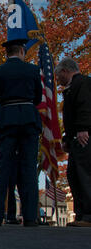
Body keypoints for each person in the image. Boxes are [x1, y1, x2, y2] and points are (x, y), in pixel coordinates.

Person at [0, 38, 42, 227]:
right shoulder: (33, 70)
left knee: (3, 168)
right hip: (28, 119)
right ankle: (31, 216)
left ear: (6, 53)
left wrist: (0, 116)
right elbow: (38, 97)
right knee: (29, 168)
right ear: (22, 51)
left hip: (6, 120)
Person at [55, 57, 91, 227]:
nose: (57, 81)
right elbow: (69, 119)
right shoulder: (70, 89)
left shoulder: (83, 83)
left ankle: (88, 215)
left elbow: (85, 106)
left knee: (85, 175)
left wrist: (84, 128)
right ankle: (81, 213)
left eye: (58, 77)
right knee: (74, 176)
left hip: (84, 137)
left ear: (64, 71)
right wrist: (67, 139)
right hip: (74, 139)